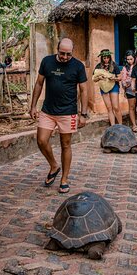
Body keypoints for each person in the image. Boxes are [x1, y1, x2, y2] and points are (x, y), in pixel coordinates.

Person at [30, 38, 89, 194]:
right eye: (62, 53)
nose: (64, 57)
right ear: (57, 49)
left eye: (68, 54)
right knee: (41, 140)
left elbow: (84, 90)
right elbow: (39, 83)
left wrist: (83, 114)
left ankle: (64, 179)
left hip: (68, 112)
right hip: (48, 110)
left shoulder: (78, 66)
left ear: (72, 52)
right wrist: (33, 106)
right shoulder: (47, 62)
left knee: (66, 145)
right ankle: (54, 165)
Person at [92, 49, 122, 125]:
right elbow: (94, 79)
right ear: (101, 58)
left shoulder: (114, 65)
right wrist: (99, 78)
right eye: (104, 58)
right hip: (103, 87)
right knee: (109, 108)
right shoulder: (98, 66)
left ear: (110, 57)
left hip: (113, 86)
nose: (106, 60)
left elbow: (119, 78)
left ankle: (121, 126)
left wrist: (113, 78)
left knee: (116, 107)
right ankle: (113, 126)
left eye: (107, 58)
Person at [120, 50, 137, 132]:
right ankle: (134, 125)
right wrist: (126, 84)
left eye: (131, 59)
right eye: (128, 59)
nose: (129, 61)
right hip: (129, 89)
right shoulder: (125, 68)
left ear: (134, 58)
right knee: (132, 107)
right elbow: (123, 80)